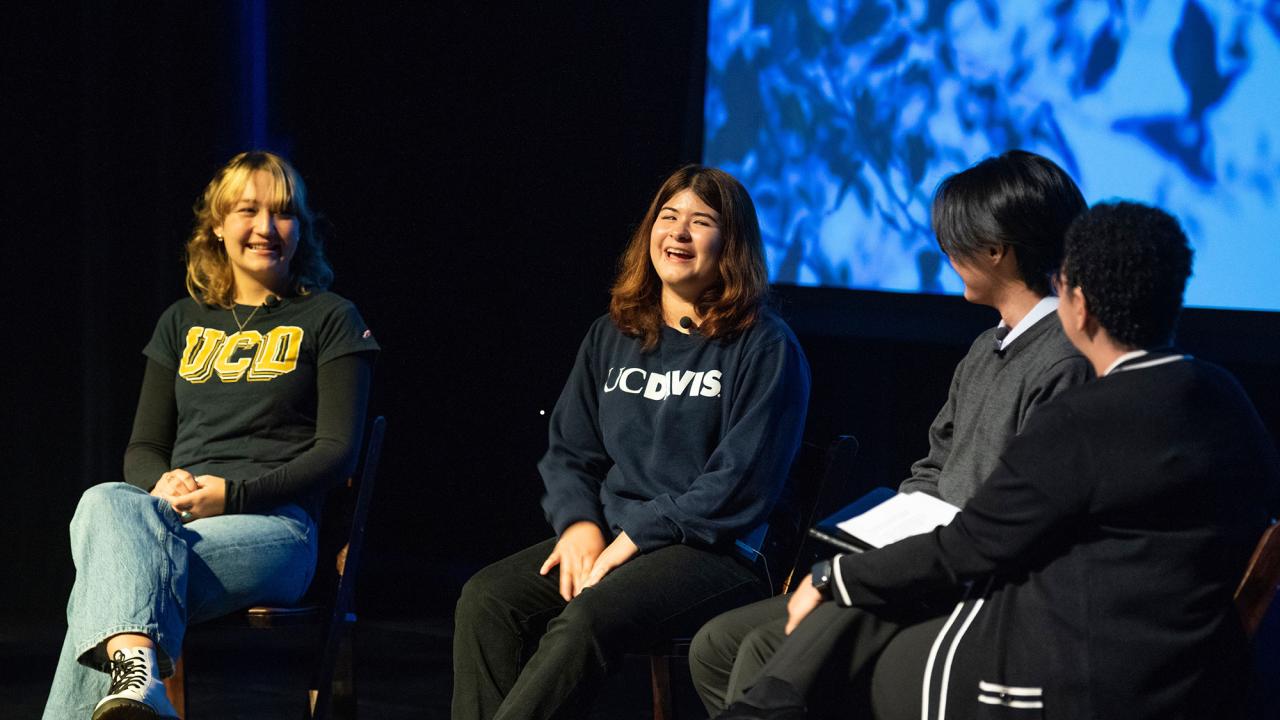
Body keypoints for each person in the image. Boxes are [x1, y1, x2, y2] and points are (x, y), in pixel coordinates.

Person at [728, 202, 1280, 720]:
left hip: (1078, 673)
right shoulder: (1227, 397)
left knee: (840, 673)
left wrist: (834, 575)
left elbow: (970, 546)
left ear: (1078, 305)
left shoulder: (1083, 417)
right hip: (1199, 670)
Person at [690, 150, 1093, 716]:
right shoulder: (985, 348)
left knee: (763, 647)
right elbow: (934, 466)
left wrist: (873, 569)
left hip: (965, 583)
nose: (945, 255)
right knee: (715, 647)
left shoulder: (1065, 359)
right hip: (918, 560)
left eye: (954, 241)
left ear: (997, 250)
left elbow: (1015, 519)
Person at [450, 165, 811, 720]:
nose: (679, 233)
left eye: (702, 221)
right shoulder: (613, 332)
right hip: (619, 536)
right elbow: (571, 450)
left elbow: (739, 482)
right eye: (668, 218)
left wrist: (634, 538)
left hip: (718, 549)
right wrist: (579, 525)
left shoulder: (765, 346)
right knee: (488, 599)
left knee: (588, 619)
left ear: (732, 243)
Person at [42, 151, 379, 720]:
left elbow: (337, 449)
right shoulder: (181, 321)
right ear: (218, 226)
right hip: (173, 518)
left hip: (277, 528)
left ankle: (133, 682)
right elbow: (143, 448)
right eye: (248, 210)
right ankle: (139, 685)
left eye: (283, 212)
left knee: (104, 589)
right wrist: (162, 481)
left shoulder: (331, 317)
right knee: (104, 500)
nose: (266, 228)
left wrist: (234, 495)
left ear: (302, 229)